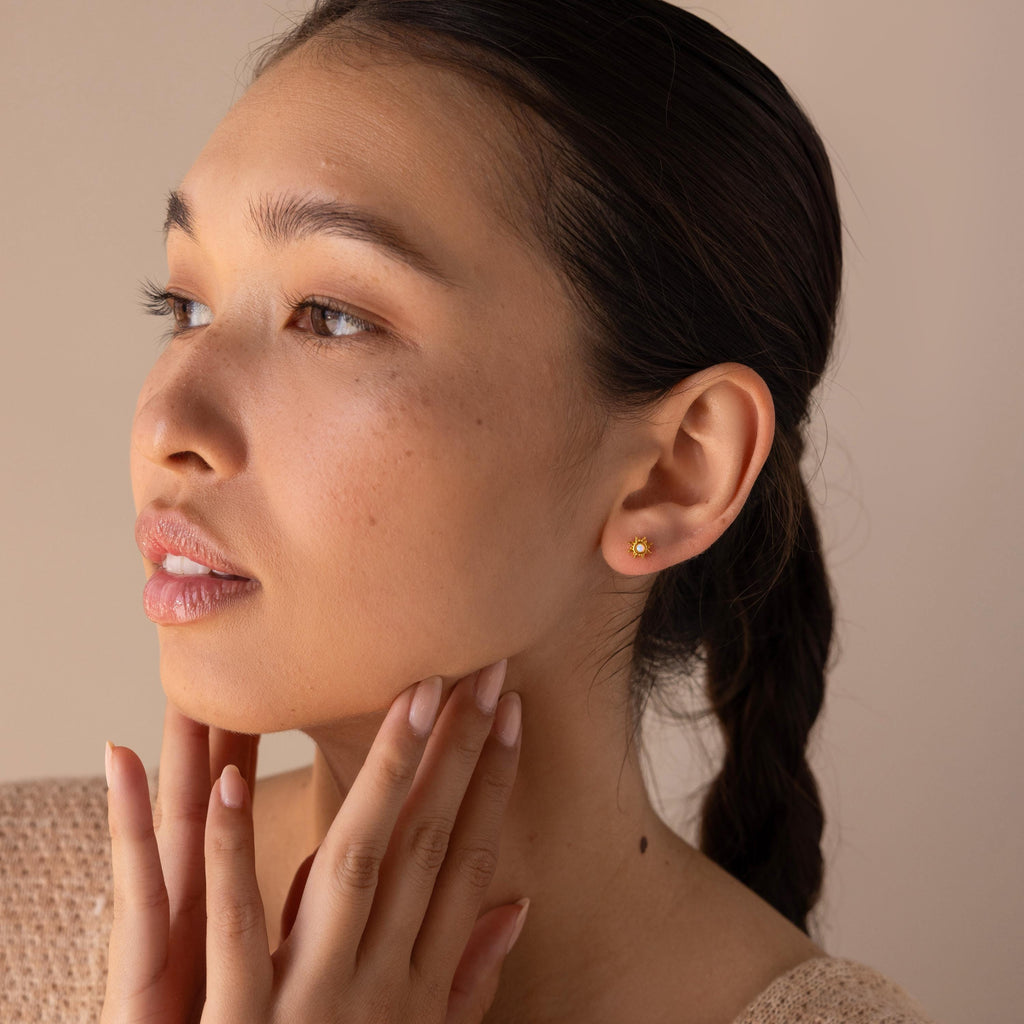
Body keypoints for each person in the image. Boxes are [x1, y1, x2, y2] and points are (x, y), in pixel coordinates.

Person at [0, 1, 939, 1021]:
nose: (164, 423)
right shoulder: (20, 902)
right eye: (183, 307)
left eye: (332, 316)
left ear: (675, 470)